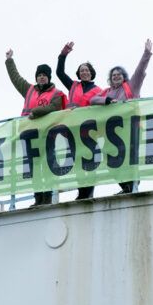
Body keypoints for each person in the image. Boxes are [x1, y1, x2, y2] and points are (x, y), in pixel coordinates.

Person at [91, 39, 153, 194]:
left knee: (128, 157)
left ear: (123, 76)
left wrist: (146, 53)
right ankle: (125, 186)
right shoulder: (106, 92)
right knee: (109, 159)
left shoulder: (131, 86)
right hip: (111, 131)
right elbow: (92, 100)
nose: (116, 77)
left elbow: (140, 71)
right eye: (113, 75)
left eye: (119, 74)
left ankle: (132, 185)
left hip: (130, 128)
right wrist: (106, 101)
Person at [5, 49, 66, 206]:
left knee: (47, 165)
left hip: (47, 135)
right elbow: (15, 78)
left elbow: (54, 107)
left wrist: (36, 111)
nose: (41, 77)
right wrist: (10, 61)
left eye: (44, 75)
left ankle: (47, 197)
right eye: (39, 75)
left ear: (49, 77)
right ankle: (38, 198)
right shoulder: (29, 90)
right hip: (30, 135)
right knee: (34, 167)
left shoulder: (56, 94)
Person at [56, 41, 102, 200]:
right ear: (79, 73)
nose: (84, 72)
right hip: (73, 131)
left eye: (87, 70)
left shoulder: (99, 90)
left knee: (90, 161)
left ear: (91, 73)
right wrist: (63, 55)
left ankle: (89, 193)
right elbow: (59, 73)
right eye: (82, 70)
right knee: (77, 162)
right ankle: (82, 192)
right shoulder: (73, 86)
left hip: (90, 132)